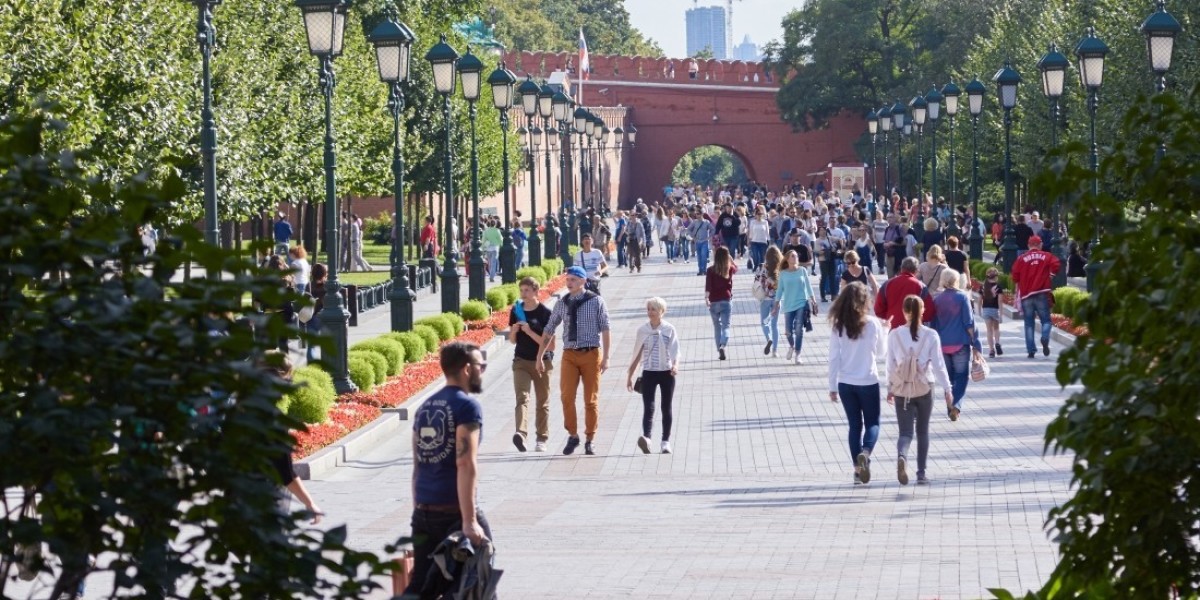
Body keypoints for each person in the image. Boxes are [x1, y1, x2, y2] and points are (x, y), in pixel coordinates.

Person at [406, 342, 490, 598]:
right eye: (480, 365)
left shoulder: (424, 408)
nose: (482, 370)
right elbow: (465, 463)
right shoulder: (467, 407)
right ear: (467, 369)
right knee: (477, 585)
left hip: (424, 510)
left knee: (422, 588)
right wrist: (469, 521)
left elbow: (418, 463)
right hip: (455, 513)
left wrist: (417, 512)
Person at [536, 266, 612, 456]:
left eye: (573, 280)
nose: (569, 283)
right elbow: (549, 328)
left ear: (583, 281)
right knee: (566, 397)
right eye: (567, 280)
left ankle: (590, 439)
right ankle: (573, 435)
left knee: (590, 400)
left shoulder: (596, 301)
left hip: (591, 353)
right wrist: (539, 357)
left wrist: (607, 357)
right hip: (570, 354)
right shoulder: (563, 303)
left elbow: (605, 328)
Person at [886, 295, 953, 486]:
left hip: (902, 389)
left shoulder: (894, 335)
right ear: (922, 311)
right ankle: (921, 472)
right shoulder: (931, 335)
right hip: (925, 387)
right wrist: (947, 388)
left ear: (904, 312)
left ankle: (902, 456)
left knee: (905, 432)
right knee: (923, 431)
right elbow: (939, 365)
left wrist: (890, 387)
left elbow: (890, 365)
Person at [827, 282, 888, 485]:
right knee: (873, 423)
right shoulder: (871, 323)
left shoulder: (839, 326)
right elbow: (881, 353)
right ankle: (866, 452)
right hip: (868, 380)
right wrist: (885, 331)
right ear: (865, 301)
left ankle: (856, 468)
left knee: (855, 425)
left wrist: (832, 386)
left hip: (846, 381)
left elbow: (833, 357)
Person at [263, 351, 324, 522]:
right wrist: (310, 504)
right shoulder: (273, 419)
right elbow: (286, 472)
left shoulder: (237, 409)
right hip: (266, 502)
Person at [627, 296, 681, 455]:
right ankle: (647, 438)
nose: (650, 312)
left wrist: (676, 365)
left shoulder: (669, 329)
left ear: (662, 312)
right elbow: (636, 354)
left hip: (667, 372)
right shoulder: (642, 330)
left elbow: (675, 350)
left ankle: (665, 441)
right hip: (649, 372)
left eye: (654, 309)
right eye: (649, 309)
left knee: (666, 406)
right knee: (648, 407)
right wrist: (630, 375)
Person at [508, 277, 554, 453]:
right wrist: (514, 331)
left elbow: (551, 344)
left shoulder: (545, 313)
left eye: (527, 290)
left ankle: (542, 438)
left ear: (536, 291)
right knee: (522, 398)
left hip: (542, 362)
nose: (523, 294)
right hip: (521, 361)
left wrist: (529, 331)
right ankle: (521, 433)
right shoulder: (517, 311)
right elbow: (513, 341)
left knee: (542, 402)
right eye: (521, 291)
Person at [931, 269, 982, 421]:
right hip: (960, 343)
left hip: (942, 344)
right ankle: (956, 405)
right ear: (956, 280)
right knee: (961, 377)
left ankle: (949, 405)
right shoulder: (962, 297)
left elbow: (933, 324)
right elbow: (969, 322)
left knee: (948, 378)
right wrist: (976, 343)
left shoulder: (937, 299)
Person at [1010, 235, 1061, 358]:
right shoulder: (1047, 256)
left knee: (1028, 323)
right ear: (1039, 244)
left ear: (1029, 245)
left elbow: (1015, 276)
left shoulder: (1021, 258)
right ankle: (1044, 337)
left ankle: (1031, 350)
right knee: (1046, 320)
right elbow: (1057, 263)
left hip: (1026, 294)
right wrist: (1051, 275)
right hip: (1042, 292)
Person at [772, 249, 816, 365]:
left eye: (796, 256)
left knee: (798, 330)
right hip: (788, 305)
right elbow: (780, 291)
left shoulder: (802, 271)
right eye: (792, 256)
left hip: (801, 303)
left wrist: (813, 300)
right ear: (787, 259)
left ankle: (798, 354)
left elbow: (808, 286)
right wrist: (775, 307)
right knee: (788, 331)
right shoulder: (783, 273)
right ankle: (791, 346)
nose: (795, 258)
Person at [875, 256, 936, 330]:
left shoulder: (887, 284)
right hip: (914, 327)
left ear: (901, 269)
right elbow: (929, 311)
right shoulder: (921, 286)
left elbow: (878, 308)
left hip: (892, 326)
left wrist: (888, 317)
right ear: (916, 271)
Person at [704, 246, 737, 361]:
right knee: (726, 326)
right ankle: (723, 345)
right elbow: (736, 268)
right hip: (726, 300)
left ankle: (719, 350)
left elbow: (708, 286)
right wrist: (731, 259)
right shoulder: (729, 269)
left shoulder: (710, 270)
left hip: (713, 301)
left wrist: (706, 298)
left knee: (717, 327)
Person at [757, 246, 782, 357]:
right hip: (776, 300)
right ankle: (775, 351)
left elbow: (758, 281)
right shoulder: (781, 268)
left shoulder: (762, 267)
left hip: (765, 299)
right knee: (775, 325)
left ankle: (768, 339)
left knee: (764, 323)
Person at [980, 267, 1005, 357]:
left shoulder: (983, 286)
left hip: (986, 309)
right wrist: (1001, 315)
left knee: (989, 330)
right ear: (996, 276)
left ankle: (991, 350)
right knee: (996, 328)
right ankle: (997, 342)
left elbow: (979, 299)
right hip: (995, 310)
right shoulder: (998, 286)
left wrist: (979, 310)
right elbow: (1000, 301)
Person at [306, 263, 327, 363]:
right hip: (326, 317)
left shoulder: (309, 285)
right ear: (325, 273)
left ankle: (311, 364)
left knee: (311, 345)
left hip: (312, 316)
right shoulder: (328, 285)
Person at [689, 210, 714, 275]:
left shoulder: (706, 222)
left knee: (704, 256)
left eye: (698, 214)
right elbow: (688, 229)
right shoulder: (694, 222)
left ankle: (704, 270)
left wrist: (709, 237)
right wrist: (692, 236)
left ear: (702, 214)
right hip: (697, 241)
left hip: (704, 242)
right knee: (699, 257)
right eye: (696, 214)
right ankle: (700, 270)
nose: (697, 215)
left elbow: (713, 229)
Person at [747, 206, 771, 270]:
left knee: (762, 256)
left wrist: (769, 241)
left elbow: (767, 232)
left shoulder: (765, 222)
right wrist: (749, 241)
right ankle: (755, 265)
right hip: (754, 241)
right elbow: (751, 232)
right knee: (755, 256)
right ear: (756, 215)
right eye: (758, 214)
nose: (760, 215)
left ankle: (761, 267)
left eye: (761, 214)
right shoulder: (752, 222)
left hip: (763, 241)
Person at [483, 218, 502, 282]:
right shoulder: (497, 230)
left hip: (488, 248)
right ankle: (492, 276)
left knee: (490, 263)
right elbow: (500, 239)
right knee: (493, 263)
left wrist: (483, 248)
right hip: (495, 248)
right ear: (495, 224)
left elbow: (483, 239)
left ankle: (491, 275)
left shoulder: (486, 231)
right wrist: (501, 245)